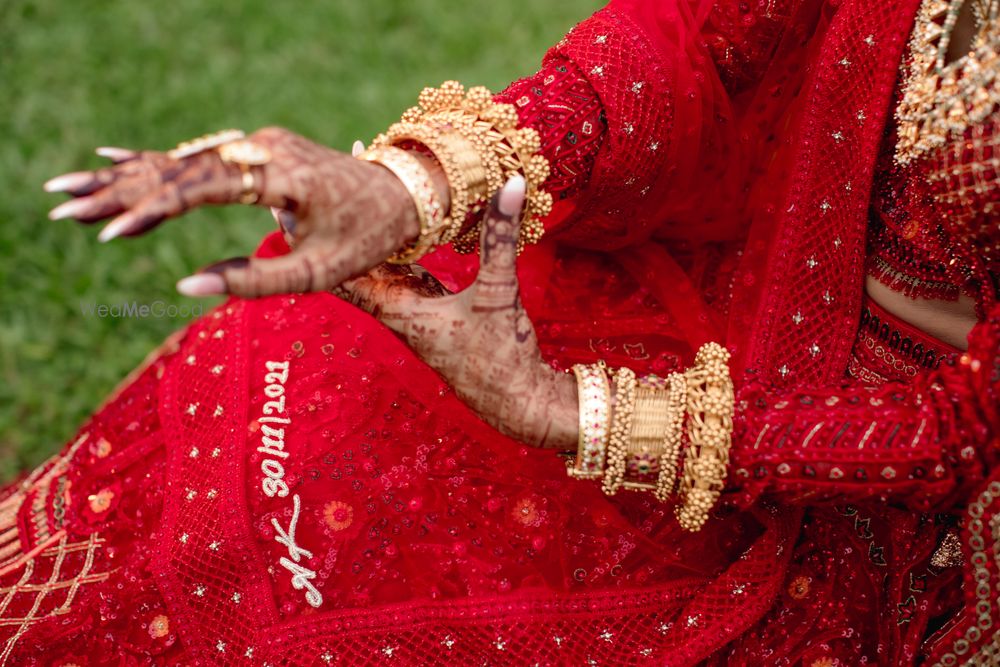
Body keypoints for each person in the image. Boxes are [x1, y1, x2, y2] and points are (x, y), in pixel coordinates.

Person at [10, 0, 998, 663]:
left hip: (838, 458)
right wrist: (413, 187)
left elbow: (960, 427)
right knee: (297, 351)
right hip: (706, 268)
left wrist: (566, 409)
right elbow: (696, 46)